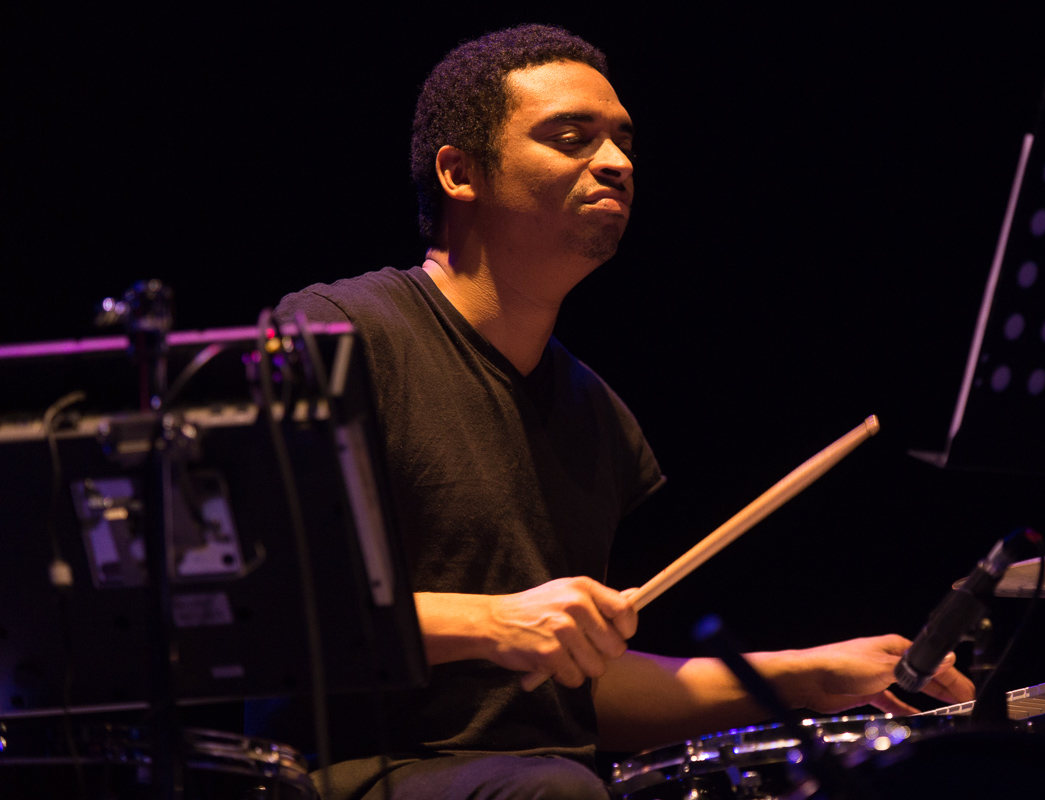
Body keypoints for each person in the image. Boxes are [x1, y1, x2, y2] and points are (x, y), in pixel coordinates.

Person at [272, 23, 972, 800]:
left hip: (545, 777)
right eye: (573, 139)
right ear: (459, 172)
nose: (617, 162)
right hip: (347, 772)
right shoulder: (337, 336)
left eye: (623, 142)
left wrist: (809, 675)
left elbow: (584, 690)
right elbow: (271, 616)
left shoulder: (594, 414)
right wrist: (497, 623)